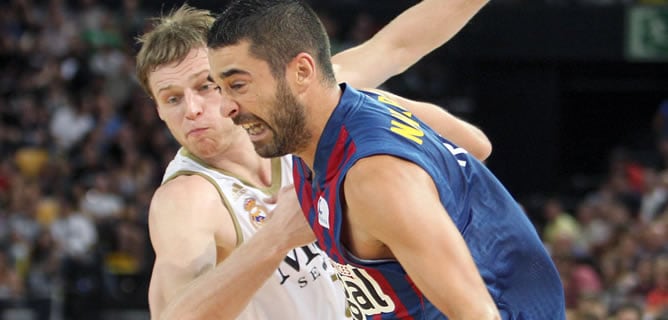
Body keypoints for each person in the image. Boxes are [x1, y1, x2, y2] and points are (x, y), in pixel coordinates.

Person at [207, 0, 566, 319]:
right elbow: (476, 145)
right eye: (219, 88)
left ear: (302, 72)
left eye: (238, 85)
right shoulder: (341, 99)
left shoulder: (375, 180)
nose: (226, 108)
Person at [136, 1, 491, 319]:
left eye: (205, 86)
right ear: (158, 110)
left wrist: (374, 111)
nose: (192, 110)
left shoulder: (307, 108)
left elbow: (397, 45)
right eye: (172, 99)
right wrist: (276, 237)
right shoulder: (187, 200)